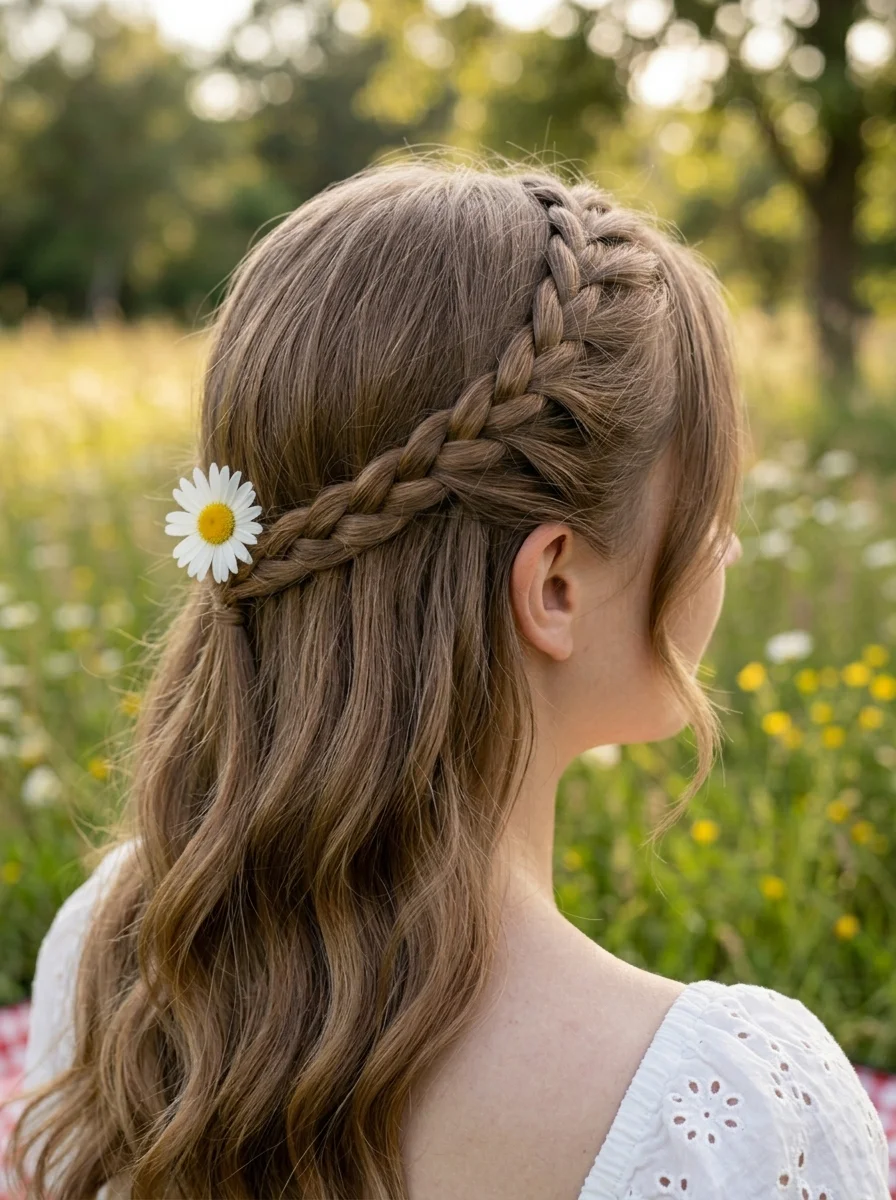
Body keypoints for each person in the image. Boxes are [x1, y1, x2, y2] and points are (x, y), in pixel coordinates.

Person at [4, 159, 889, 1200]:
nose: (726, 551)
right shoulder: (725, 1109)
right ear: (553, 583)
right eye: (708, 506)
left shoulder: (122, 950)